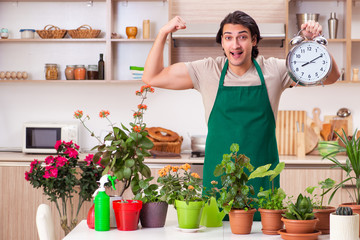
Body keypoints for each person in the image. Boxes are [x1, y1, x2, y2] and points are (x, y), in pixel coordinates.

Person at [142, 11, 340, 220]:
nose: (235, 45)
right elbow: (151, 76)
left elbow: (331, 77)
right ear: (222, 43)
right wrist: (163, 32)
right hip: (219, 181)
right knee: (216, 232)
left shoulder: (274, 69)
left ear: (254, 40)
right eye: (228, 38)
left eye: (242, 37)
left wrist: (317, 43)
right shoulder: (207, 70)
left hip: (263, 179)